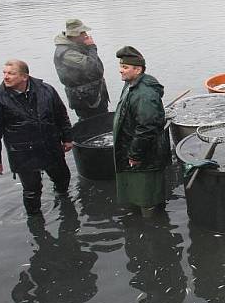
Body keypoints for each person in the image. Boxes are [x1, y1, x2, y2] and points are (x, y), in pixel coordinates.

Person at [0, 60, 73, 216]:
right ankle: (35, 218)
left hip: (50, 146)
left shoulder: (47, 91)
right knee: (31, 190)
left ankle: (64, 201)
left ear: (24, 77)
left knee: (63, 177)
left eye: (11, 73)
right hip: (23, 154)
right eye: (4, 73)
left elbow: (61, 115)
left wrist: (67, 138)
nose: (6, 77)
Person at [113, 46, 171, 217]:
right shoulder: (131, 84)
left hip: (146, 155)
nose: (120, 70)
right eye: (121, 66)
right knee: (141, 189)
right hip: (134, 149)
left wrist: (135, 154)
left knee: (147, 193)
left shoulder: (144, 95)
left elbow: (147, 129)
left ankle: (151, 225)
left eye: (125, 67)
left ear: (137, 70)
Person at [53, 19, 110, 120]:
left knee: (103, 121)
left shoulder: (78, 46)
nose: (86, 35)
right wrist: (92, 47)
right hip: (84, 98)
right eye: (83, 32)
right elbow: (91, 66)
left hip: (95, 93)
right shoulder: (66, 53)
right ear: (75, 34)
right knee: (89, 124)